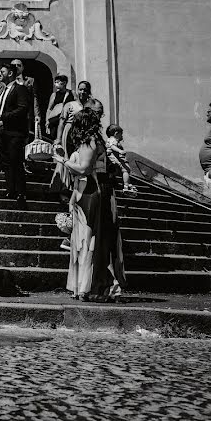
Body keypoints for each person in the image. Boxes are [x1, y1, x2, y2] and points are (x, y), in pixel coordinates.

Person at [54, 108, 127, 302]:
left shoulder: (91, 141)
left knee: (89, 239)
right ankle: (85, 286)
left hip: (91, 193)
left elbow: (84, 169)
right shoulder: (94, 140)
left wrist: (62, 161)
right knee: (85, 240)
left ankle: (93, 285)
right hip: (85, 192)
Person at [0, 63, 30, 209]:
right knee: (6, 163)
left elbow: (22, 109)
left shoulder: (20, 89)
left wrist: (3, 116)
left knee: (16, 162)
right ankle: (10, 190)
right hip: (1, 132)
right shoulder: (3, 90)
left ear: (11, 74)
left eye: (2, 71)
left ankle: (21, 192)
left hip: (15, 132)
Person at [105, 124, 138, 196]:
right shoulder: (113, 140)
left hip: (114, 159)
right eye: (121, 134)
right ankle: (126, 185)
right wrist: (120, 151)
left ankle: (127, 184)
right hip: (115, 158)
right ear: (116, 133)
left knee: (124, 170)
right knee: (126, 169)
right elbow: (112, 146)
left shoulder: (111, 140)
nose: (122, 136)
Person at [10, 59, 39, 136]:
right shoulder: (6, 80)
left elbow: (34, 98)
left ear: (23, 68)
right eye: (14, 65)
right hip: (10, 113)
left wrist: (37, 115)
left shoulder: (30, 80)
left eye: (19, 65)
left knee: (25, 136)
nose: (16, 67)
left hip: (26, 114)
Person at [45, 75, 74, 140]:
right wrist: (47, 121)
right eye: (55, 82)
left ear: (64, 83)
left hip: (67, 121)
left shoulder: (72, 93)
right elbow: (49, 109)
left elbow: (78, 105)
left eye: (58, 82)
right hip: (55, 121)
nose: (56, 84)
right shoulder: (54, 95)